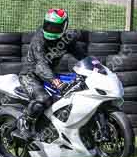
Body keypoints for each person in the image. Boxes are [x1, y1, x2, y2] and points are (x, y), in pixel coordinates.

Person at [12, 8, 86, 141]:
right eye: (49, 25)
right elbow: (41, 65)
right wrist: (56, 81)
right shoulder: (39, 39)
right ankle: (24, 124)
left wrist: (96, 67)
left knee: (77, 90)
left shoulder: (67, 39)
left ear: (64, 27)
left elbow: (82, 56)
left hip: (51, 75)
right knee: (43, 99)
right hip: (31, 76)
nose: (51, 29)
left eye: (55, 27)